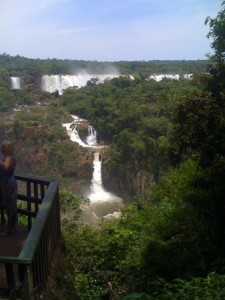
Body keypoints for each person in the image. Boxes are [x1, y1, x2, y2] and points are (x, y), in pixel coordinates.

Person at [0, 141, 18, 236]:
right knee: (11, 205)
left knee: (9, 206)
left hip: (8, 184)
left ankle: (10, 229)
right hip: (8, 182)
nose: (2, 148)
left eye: (4, 147)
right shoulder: (9, 157)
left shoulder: (8, 158)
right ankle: (13, 227)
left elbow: (6, 167)